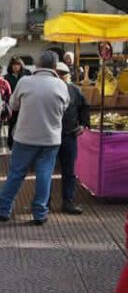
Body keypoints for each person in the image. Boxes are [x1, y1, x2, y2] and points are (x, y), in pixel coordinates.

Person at [0, 51, 70, 225]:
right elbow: (65, 106)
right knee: (44, 175)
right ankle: (40, 214)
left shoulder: (25, 82)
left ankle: (4, 210)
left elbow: (13, 105)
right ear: (55, 67)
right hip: (50, 138)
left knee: (16, 173)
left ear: (37, 63)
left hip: (25, 137)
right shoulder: (61, 85)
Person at [51, 61, 90, 214]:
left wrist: (84, 124)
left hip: (69, 135)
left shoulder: (75, 90)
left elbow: (85, 107)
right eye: (58, 74)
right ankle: (44, 203)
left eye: (63, 74)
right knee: (46, 171)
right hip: (50, 136)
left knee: (69, 171)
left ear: (68, 75)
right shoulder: (50, 89)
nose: (61, 77)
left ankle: (68, 202)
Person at [4, 56, 31, 149]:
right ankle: (11, 143)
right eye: (14, 65)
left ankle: (24, 143)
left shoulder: (26, 75)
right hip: (12, 104)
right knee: (12, 123)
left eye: (17, 64)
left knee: (24, 124)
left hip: (25, 104)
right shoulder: (7, 77)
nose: (15, 67)